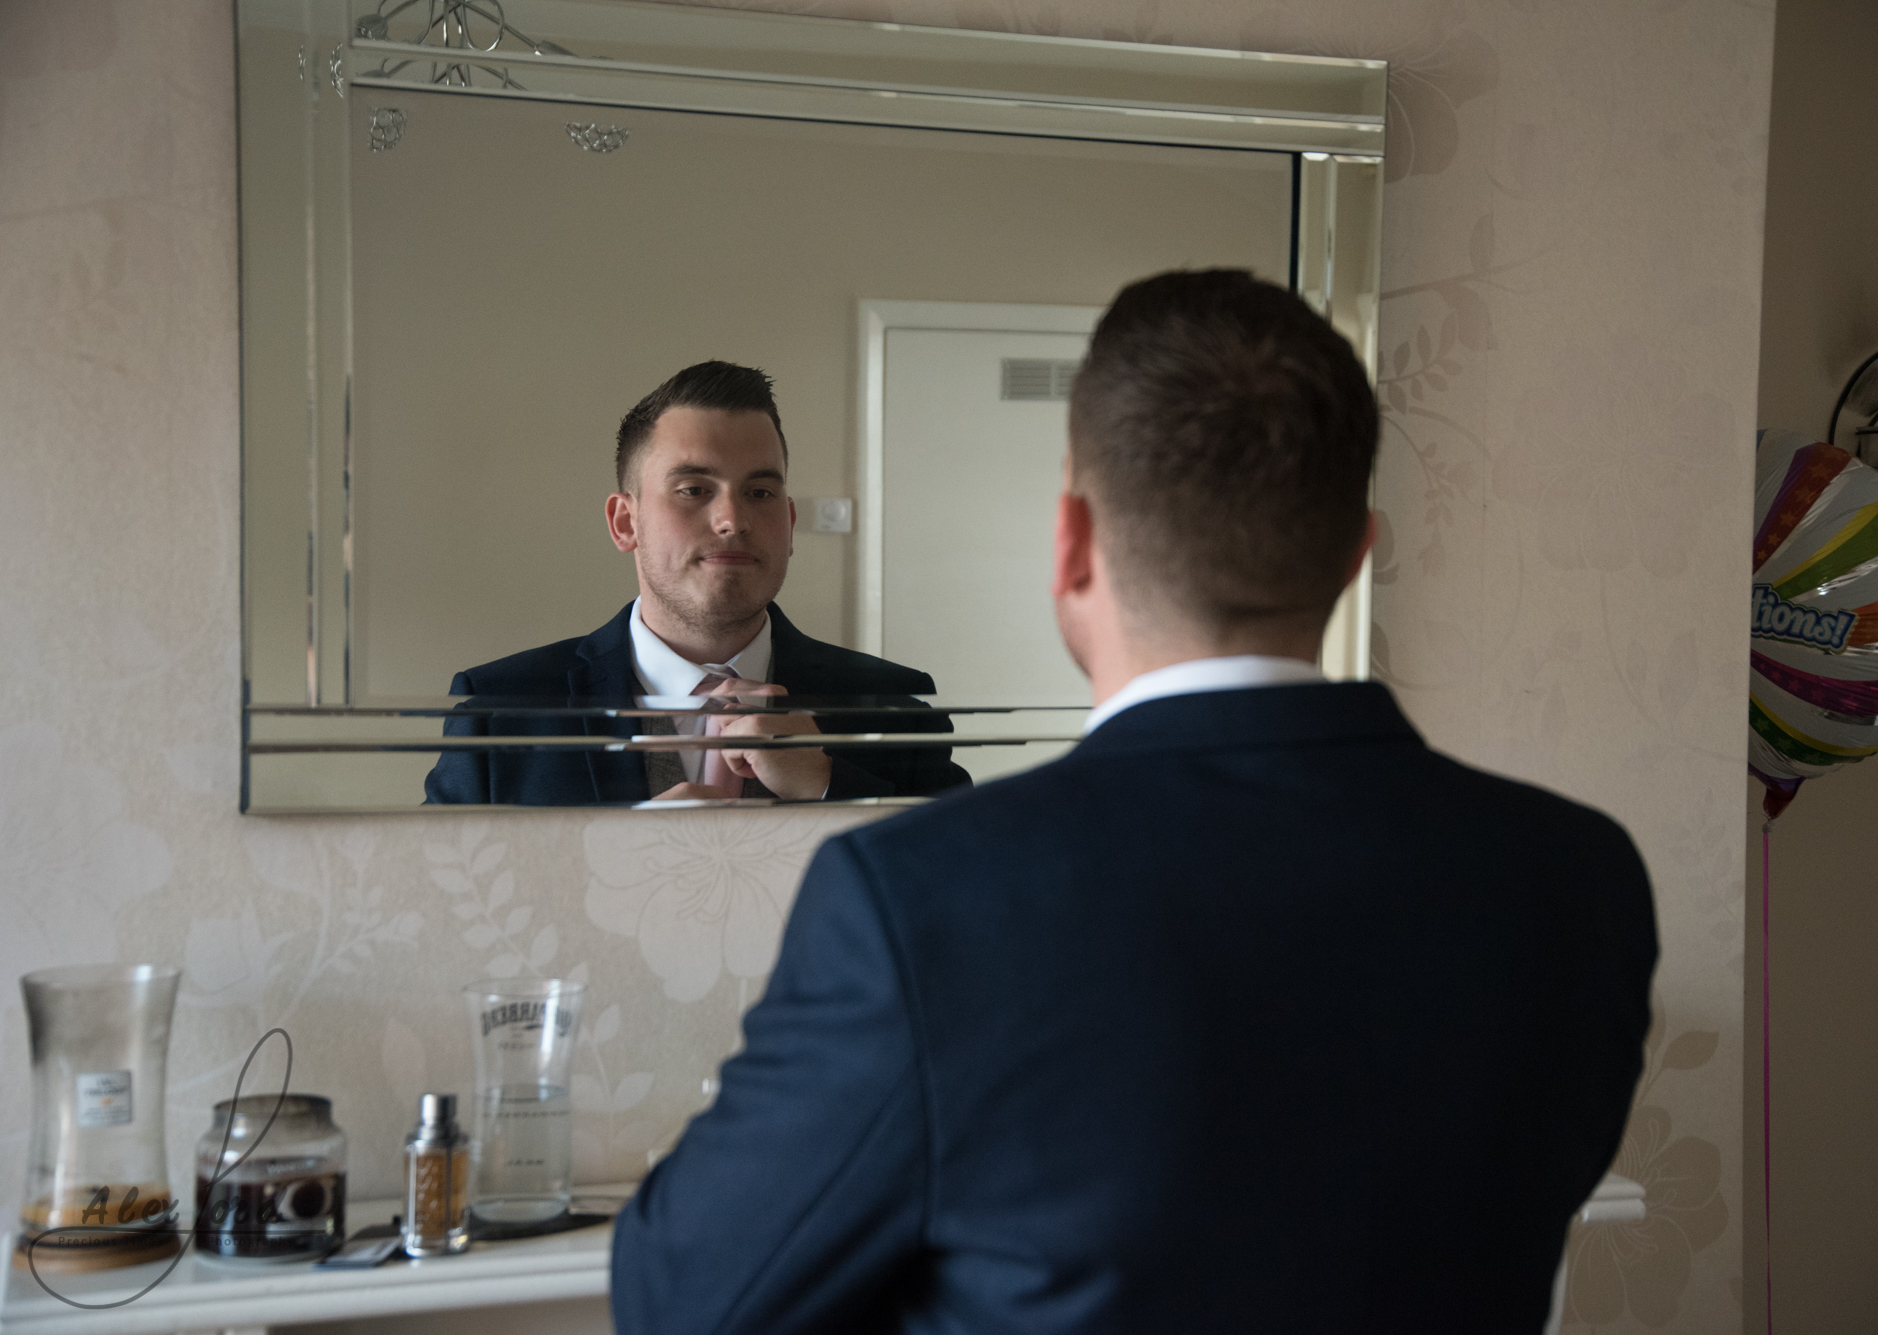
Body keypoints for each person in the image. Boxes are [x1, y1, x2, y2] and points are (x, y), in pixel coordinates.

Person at [610, 271, 1658, 1331]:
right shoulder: (1578, 875)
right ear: (1355, 556)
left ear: (1070, 542)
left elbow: (687, 1297)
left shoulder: (920, 900)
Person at [423, 361, 968, 805]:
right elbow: (435, 914)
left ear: (791, 523)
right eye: (693, 489)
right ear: (624, 522)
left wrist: (831, 787)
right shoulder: (502, 707)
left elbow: (963, 899)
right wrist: (619, 856)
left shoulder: (894, 707)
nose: (732, 519)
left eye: (760, 493)